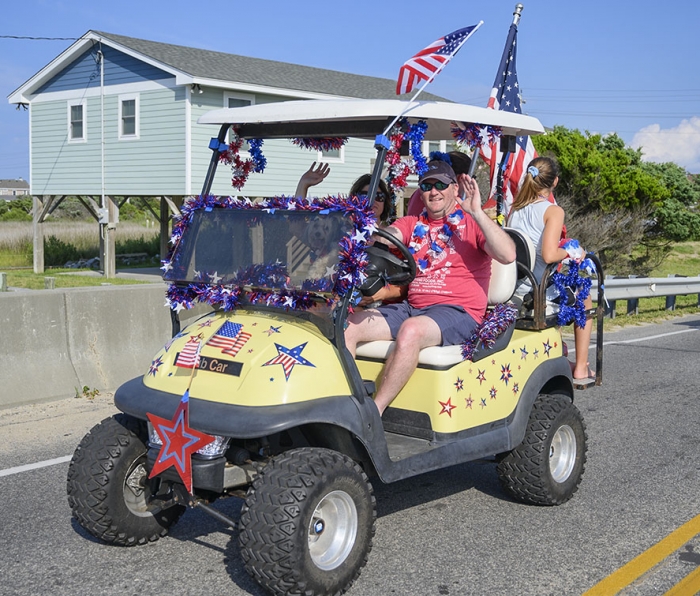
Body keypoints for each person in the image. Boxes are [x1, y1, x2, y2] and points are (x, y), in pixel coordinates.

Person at [344, 159, 516, 415]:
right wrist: (364, 234)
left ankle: (372, 415)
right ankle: (347, 402)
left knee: (411, 331)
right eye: (426, 186)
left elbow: (508, 254)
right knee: (349, 325)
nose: (433, 191)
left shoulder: (472, 224)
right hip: (414, 307)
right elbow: (384, 236)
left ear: (454, 189)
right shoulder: (413, 223)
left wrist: (477, 212)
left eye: (440, 185)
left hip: (459, 311)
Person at [507, 156, 594, 381]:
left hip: (515, 287)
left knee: (565, 289)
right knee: (585, 300)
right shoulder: (553, 211)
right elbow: (548, 255)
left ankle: (560, 355)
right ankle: (582, 367)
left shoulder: (514, 209)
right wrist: (573, 251)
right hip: (537, 290)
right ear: (554, 182)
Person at [294, 163, 392, 224]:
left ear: (385, 201)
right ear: (354, 199)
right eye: (364, 196)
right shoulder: (341, 232)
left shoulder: (394, 236)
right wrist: (303, 184)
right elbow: (297, 226)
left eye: (379, 196)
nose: (372, 200)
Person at [406, 151, 472, 217]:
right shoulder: (444, 199)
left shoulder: (422, 191)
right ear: (461, 178)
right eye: (441, 185)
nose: (433, 192)